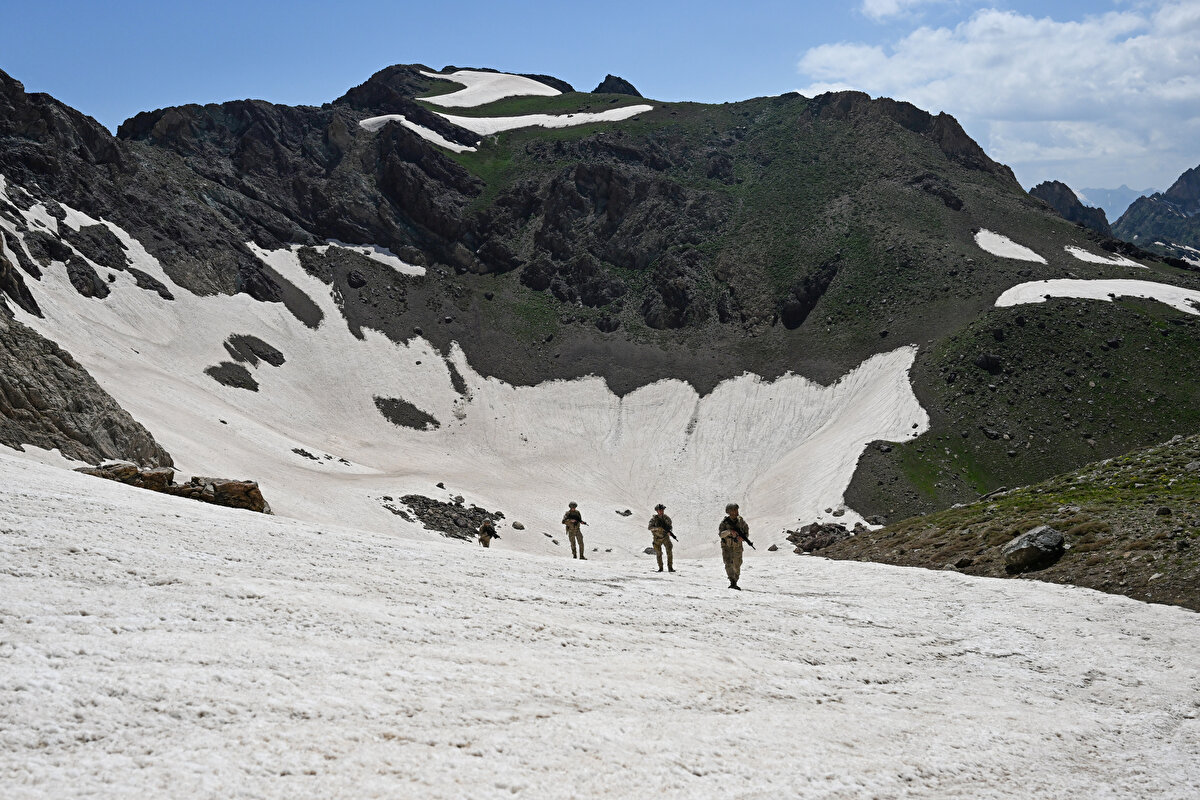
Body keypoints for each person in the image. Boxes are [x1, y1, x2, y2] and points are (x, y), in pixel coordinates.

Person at [718, 502, 752, 590]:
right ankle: (732, 581)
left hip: (737, 547)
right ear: (729, 512)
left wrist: (743, 538)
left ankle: (735, 580)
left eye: (736, 510)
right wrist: (729, 532)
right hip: (726, 547)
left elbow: (746, 533)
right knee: (728, 564)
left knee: (737, 564)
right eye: (733, 510)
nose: (735, 512)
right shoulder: (724, 522)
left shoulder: (741, 522)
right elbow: (721, 534)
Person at [648, 503, 676, 572]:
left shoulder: (667, 518)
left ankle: (670, 568)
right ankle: (660, 568)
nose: (661, 511)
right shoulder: (654, 519)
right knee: (659, 553)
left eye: (662, 510)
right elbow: (650, 527)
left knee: (669, 551)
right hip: (657, 538)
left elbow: (669, 526)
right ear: (657, 511)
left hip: (665, 537)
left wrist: (669, 531)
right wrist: (657, 528)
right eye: (659, 510)